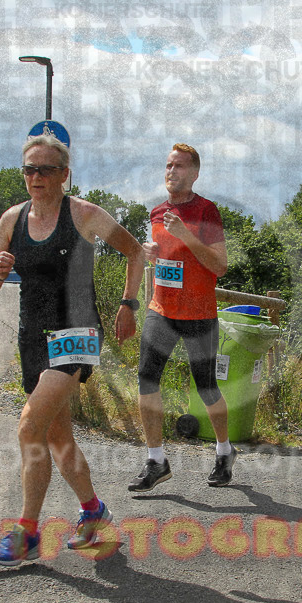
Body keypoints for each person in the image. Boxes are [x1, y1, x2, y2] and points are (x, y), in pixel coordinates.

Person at [0, 133, 144, 566]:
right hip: (32, 336)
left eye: (46, 169)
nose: (36, 177)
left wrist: (128, 304)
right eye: (30, 169)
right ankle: (94, 513)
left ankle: (27, 533)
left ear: (64, 174)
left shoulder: (84, 215)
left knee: (30, 426)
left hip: (77, 333)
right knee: (58, 437)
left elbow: (135, 252)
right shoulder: (11, 220)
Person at [129, 143, 234, 492]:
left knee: (206, 387)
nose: (171, 171)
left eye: (179, 166)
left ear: (194, 173)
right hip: (162, 309)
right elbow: (167, 258)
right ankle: (156, 460)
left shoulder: (207, 211)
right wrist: (152, 254)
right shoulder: (157, 213)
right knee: (146, 378)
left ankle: (224, 452)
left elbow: (219, 265)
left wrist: (186, 235)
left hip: (199, 312)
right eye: (168, 165)